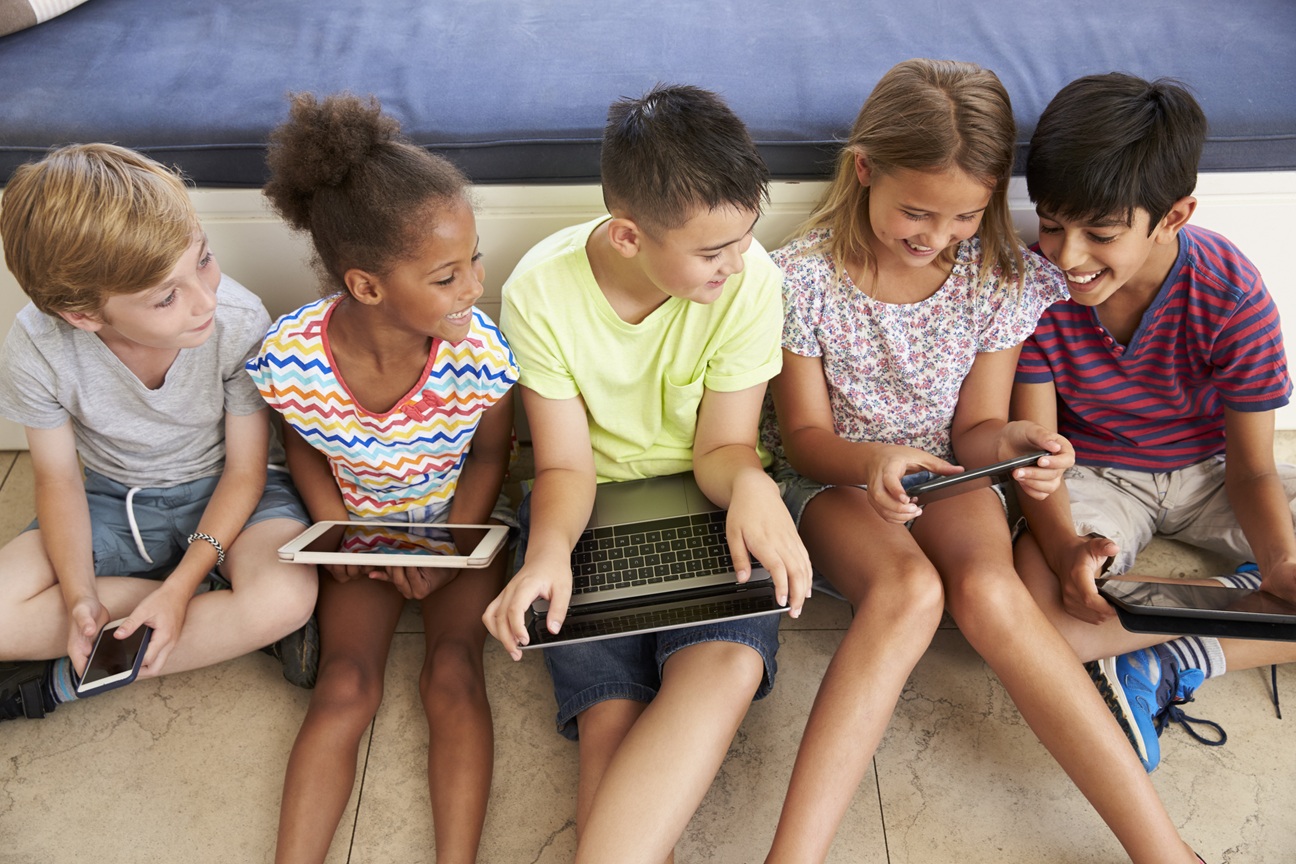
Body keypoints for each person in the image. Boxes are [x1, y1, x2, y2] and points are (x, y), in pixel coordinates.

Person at [763, 59, 1208, 864]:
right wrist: (874, 461)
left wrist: (1018, 446)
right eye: (917, 212)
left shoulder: (993, 276)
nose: (938, 236)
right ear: (865, 170)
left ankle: (1164, 850)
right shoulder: (802, 279)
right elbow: (802, 438)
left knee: (994, 595)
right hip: (835, 479)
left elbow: (976, 428)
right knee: (909, 592)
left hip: (950, 472)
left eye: (967, 214)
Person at [482, 84, 811, 864]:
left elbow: (723, 448)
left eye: (744, 239)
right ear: (629, 236)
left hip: (708, 500)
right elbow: (564, 464)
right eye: (710, 252)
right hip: (587, 510)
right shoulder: (539, 290)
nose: (735, 265)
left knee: (726, 663)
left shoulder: (751, 280)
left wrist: (758, 488)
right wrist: (547, 554)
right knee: (610, 712)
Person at [247, 93, 518, 864]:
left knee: (455, 676)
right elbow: (303, 451)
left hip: (454, 527)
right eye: (446, 275)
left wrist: (437, 547)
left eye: (474, 260)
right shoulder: (291, 357)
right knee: (345, 685)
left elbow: (494, 460)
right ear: (366, 286)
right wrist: (351, 540)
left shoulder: (481, 355)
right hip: (354, 533)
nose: (473, 286)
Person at [1013, 72, 1296, 774]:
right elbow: (1039, 458)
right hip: (1096, 474)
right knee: (1035, 620)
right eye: (1051, 223)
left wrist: (1282, 562)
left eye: (1100, 234)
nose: (1067, 256)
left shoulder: (1231, 294)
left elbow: (1252, 467)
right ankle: (1238, 607)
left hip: (1214, 471)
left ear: (1173, 216)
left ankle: (1182, 655)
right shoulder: (1034, 291)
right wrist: (1067, 551)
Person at [0, 143, 318, 723]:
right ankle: (219, 615)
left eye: (203, 259)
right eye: (167, 297)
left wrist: (178, 588)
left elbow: (246, 471)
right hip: (111, 499)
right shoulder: (36, 347)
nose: (206, 300)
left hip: (233, 494)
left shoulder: (238, 321)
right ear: (83, 315)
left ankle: (58, 685)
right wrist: (79, 600)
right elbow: (58, 479)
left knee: (286, 596)